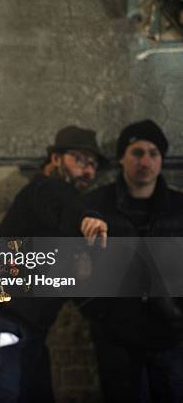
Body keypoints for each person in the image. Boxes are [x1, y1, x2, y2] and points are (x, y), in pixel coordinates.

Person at [0, 126, 108, 403]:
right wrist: (89, 217)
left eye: (92, 165)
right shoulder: (43, 189)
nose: (88, 171)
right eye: (79, 160)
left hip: (26, 328)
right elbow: (63, 203)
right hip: (2, 321)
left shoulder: (61, 212)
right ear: (55, 159)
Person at [83, 119, 183, 403]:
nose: (146, 161)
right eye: (137, 152)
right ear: (121, 158)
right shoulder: (96, 206)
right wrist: (99, 314)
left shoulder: (179, 208)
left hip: (171, 335)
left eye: (154, 153)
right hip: (117, 339)